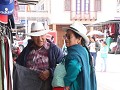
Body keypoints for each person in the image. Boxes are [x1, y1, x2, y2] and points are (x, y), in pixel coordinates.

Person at [13, 22, 64, 90]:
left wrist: (50, 72)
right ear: (32, 37)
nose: (40, 39)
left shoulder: (54, 50)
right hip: (29, 86)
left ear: (45, 35)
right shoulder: (27, 50)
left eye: (42, 35)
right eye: (36, 36)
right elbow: (19, 65)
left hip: (47, 86)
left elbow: (63, 67)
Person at [52, 21, 97, 90]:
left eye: (69, 37)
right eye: (66, 36)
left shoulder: (75, 53)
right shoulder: (83, 51)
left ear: (79, 39)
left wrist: (67, 82)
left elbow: (75, 66)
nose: (66, 39)